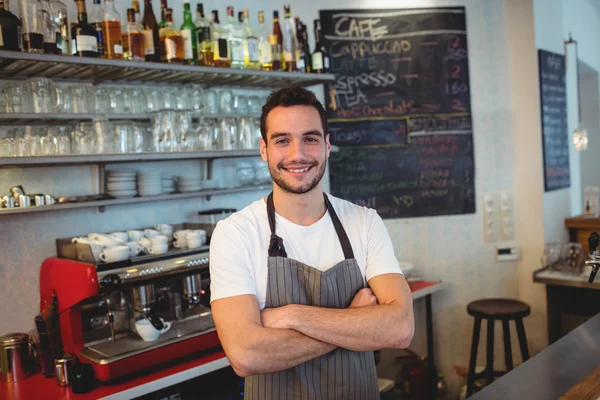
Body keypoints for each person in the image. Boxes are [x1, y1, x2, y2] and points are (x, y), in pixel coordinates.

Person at [209, 86, 415, 400]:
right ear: (264, 149)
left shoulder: (364, 222)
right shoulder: (235, 234)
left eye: (310, 138)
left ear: (327, 145)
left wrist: (293, 316)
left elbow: (400, 328)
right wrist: (355, 321)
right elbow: (246, 355)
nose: (297, 154)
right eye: (282, 140)